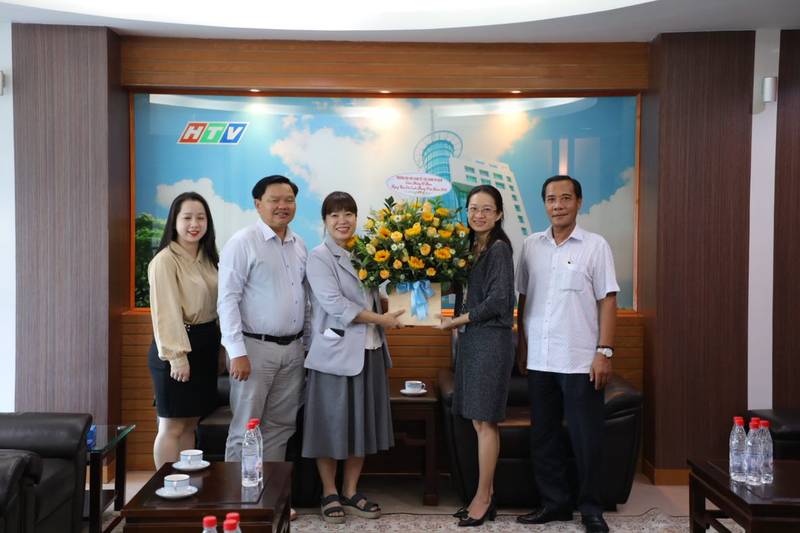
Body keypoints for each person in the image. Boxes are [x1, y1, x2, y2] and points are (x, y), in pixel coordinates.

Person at [515, 175, 619, 533]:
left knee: (585, 438)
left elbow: (608, 300)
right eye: (550, 199)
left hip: (579, 360)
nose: (557, 205)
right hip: (540, 359)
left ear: (578, 202)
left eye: (564, 198)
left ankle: (591, 509)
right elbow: (524, 297)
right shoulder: (531, 245)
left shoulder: (595, 246)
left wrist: (604, 351)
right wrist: (521, 344)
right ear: (544, 203)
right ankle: (554, 503)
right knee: (543, 437)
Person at [302, 191, 404, 524]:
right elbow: (336, 305)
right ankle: (329, 491)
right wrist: (381, 319)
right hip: (335, 355)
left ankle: (350, 489)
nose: (342, 221)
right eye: (334, 215)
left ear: (356, 218)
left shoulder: (365, 253)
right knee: (330, 426)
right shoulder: (319, 258)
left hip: (370, 350)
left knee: (361, 425)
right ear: (325, 221)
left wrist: (401, 306)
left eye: (348, 214)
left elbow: (373, 298)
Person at [437, 185, 515, 527]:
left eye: (486, 209)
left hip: (491, 341)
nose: (478, 215)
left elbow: (499, 301)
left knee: (485, 422)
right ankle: (486, 495)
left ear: (498, 214)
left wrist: (457, 320)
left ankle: (483, 499)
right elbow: (456, 291)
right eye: (473, 209)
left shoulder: (499, 249)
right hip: (470, 341)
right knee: (476, 421)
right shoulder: (469, 247)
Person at [217, 175, 307, 467]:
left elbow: (304, 299)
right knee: (246, 427)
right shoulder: (243, 242)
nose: (283, 206)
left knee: (281, 426)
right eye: (274, 200)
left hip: (293, 350)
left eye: (289, 200)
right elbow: (227, 299)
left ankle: (270, 491)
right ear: (258, 204)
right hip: (254, 349)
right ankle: (237, 493)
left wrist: (306, 346)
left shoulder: (299, 244)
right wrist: (236, 352)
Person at [147, 191, 220, 469]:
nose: (194, 224)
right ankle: (164, 486)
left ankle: (186, 483)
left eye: (200, 218)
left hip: (205, 345)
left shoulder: (208, 258)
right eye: (187, 217)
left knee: (191, 423)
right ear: (174, 221)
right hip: (177, 347)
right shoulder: (165, 260)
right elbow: (165, 313)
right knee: (172, 425)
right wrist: (177, 357)